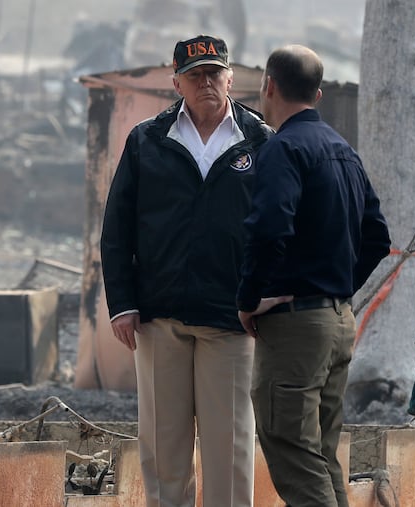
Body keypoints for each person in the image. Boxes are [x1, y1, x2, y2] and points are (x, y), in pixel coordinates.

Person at [100, 34, 273, 507]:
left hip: (232, 319)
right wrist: (123, 305)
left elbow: (279, 230)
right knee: (163, 448)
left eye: (214, 73)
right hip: (160, 316)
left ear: (231, 78)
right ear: (177, 82)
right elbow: (117, 229)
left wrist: (266, 298)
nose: (206, 83)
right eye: (195, 75)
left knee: (231, 446)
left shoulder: (260, 141)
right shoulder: (147, 141)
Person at [235, 44, 391, 507]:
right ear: (318, 94)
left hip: (296, 326)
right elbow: (378, 238)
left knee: (294, 454)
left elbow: (268, 229)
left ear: (268, 86)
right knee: (321, 458)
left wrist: (249, 297)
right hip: (338, 323)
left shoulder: (283, 149)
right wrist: (336, 289)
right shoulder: (343, 150)